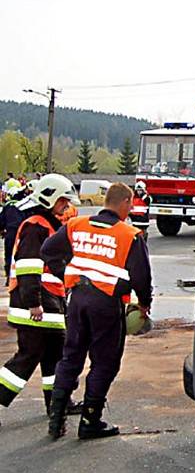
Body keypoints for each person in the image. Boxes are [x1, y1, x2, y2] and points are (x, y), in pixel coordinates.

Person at [42, 182, 152, 440]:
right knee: (104, 361)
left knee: (71, 357)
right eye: (131, 203)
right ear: (125, 202)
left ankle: (56, 419)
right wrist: (144, 304)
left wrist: (69, 274)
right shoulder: (129, 234)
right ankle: (91, 421)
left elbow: (48, 251)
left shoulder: (76, 225)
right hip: (106, 303)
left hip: (77, 299)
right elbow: (141, 277)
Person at [0, 174, 83, 429]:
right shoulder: (36, 226)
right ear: (49, 198)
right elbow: (28, 267)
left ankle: (58, 403)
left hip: (50, 305)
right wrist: (33, 302)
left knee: (54, 357)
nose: (66, 207)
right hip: (35, 307)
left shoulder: (48, 225)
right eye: (62, 202)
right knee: (28, 356)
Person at [0, 185, 26, 285]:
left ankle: (8, 277)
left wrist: (2, 230)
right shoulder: (23, 205)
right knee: (20, 254)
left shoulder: (7, 206)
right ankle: (19, 277)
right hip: (21, 233)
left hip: (10, 233)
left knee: (9, 255)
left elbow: (1, 221)